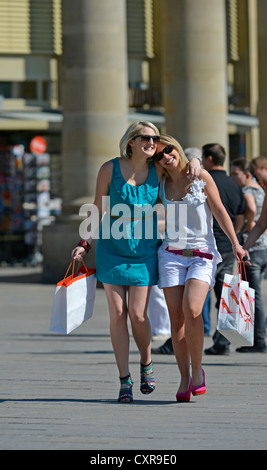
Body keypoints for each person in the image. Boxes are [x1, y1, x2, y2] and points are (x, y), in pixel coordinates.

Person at [71, 121, 201, 403]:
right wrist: (85, 242)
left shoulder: (157, 169)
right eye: (146, 138)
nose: (152, 142)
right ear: (131, 141)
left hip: (144, 248)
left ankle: (146, 361)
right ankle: (123, 379)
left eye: (155, 138)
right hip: (112, 246)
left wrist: (196, 158)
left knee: (138, 315)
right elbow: (96, 207)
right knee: (117, 313)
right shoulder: (110, 168)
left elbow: (179, 162)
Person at [153, 135, 246, 402]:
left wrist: (236, 243)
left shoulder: (201, 175)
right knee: (176, 319)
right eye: (159, 155)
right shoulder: (160, 182)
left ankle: (197, 370)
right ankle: (184, 376)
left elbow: (220, 211)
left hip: (201, 254)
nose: (166, 156)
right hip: (170, 255)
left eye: (168, 149)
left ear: (176, 147)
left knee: (192, 309)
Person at [201, 144, 245, 356]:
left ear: (209, 159)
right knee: (226, 298)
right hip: (227, 247)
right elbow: (241, 213)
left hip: (207, 247)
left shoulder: (204, 182)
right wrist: (234, 237)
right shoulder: (233, 184)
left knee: (197, 296)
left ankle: (189, 337)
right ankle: (223, 342)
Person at [230, 158, 267, 352]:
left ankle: (259, 340)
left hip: (257, 250)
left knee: (255, 296)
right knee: (255, 295)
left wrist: (245, 228)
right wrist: (243, 246)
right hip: (260, 247)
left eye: (235, 174)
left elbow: (253, 213)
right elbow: (262, 224)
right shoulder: (263, 190)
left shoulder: (248, 191)